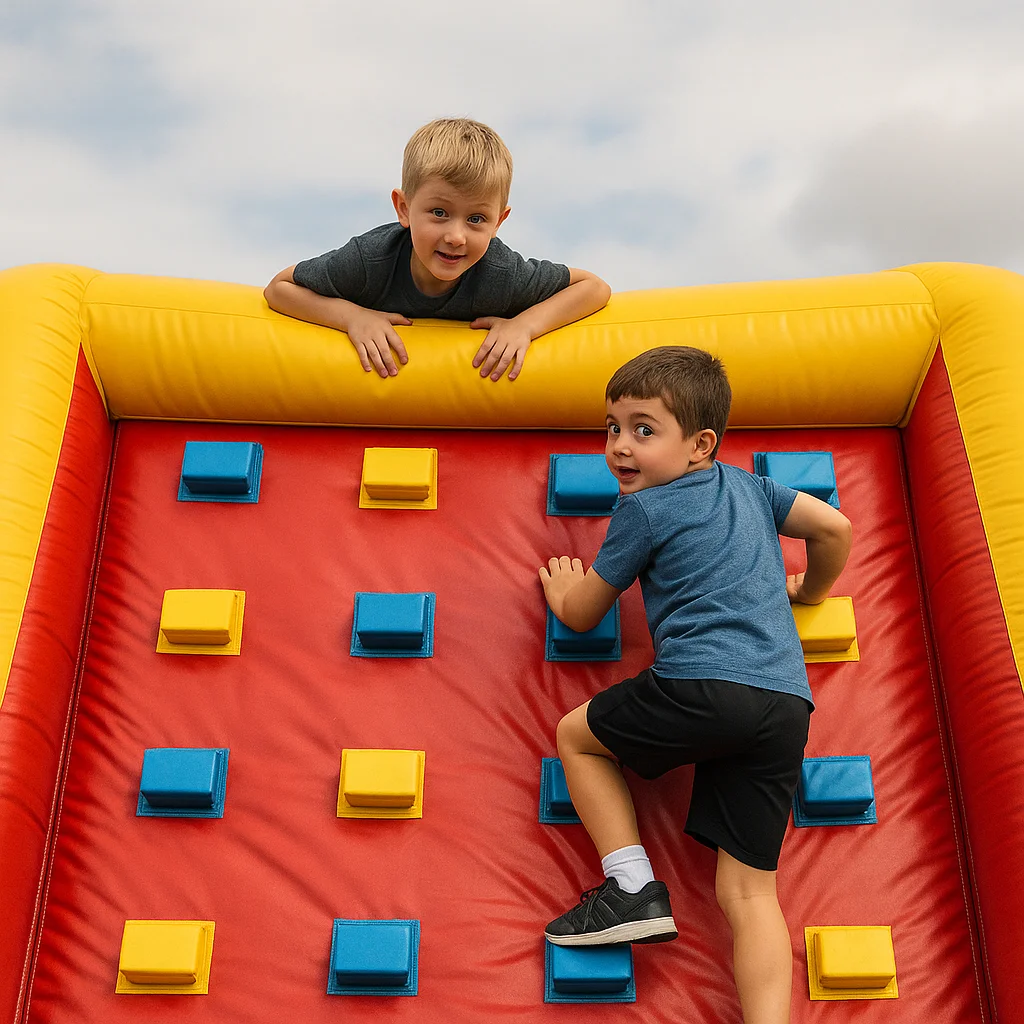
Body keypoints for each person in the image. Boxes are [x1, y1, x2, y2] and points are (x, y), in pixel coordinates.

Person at [538, 345, 852, 1024]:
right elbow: (834, 526)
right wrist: (811, 591)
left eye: (643, 430)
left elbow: (587, 612)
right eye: (613, 427)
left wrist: (564, 592)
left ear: (699, 444)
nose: (620, 446)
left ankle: (631, 888)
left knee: (577, 736)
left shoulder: (643, 513)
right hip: (784, 705)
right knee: (749, 893)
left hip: (701, 685)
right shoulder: (750, 487)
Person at [264, 118, 610, 382]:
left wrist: (525, 326)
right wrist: (351, 317)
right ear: (403, 208)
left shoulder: (502, 273)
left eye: (476, 218)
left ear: (498, 223)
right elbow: (279, 289)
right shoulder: (370, 259)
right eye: (439, 213)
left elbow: (594, 288)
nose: (456, 236)